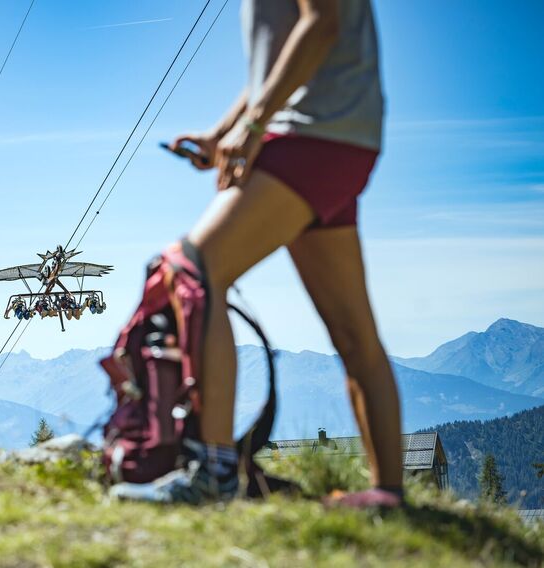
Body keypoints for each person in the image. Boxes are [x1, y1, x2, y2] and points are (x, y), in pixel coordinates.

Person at [112, 0, 403, 507]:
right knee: (354, 332)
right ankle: (388, 494)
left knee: (193, 271)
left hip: (309, 135)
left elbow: (321, 22)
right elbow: (276, 64)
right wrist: (225, 132)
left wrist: (252, 129)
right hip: (337, 135)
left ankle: (213, 474)